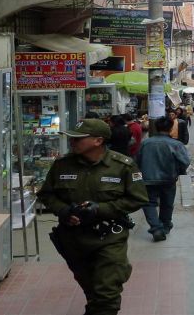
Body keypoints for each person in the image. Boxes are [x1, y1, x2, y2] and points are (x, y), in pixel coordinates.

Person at [38, 119, 149, 315]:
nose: (72, 142)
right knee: (91, 289)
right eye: (71, 138)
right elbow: (46, 195)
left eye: (78, 139)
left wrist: (100, 209)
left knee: (107, 292)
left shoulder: (123, 166)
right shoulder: (62, 165)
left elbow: (138, 199)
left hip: (109, 237)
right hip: (73, 239)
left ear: (98, 141)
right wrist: (64, 211)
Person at [136, 117, 191, 241]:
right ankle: (165, 226)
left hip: (148, 179)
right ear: (171, 128)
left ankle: (156, 228)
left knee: (149, 203)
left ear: (156, 127)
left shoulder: (145, 143)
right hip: (168, 178)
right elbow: (185, 161)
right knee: (167, 204)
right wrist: (179, 170)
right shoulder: (176, 144)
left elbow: (137, 161)